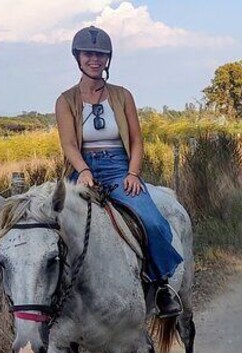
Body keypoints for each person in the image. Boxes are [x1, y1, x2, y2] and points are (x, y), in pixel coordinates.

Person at [55, 26, 183, 318]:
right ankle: (55, 297)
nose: (95, 60)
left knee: (151, 220)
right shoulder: (65, 100)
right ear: (78, 57)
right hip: (83, 167)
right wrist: (84, 171)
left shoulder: (122, 95)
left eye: (100, 54)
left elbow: (137, 140)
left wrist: (133, 173)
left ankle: (162, 286)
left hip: (118, 167)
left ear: (108, 58)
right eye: (88, 54)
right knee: (56, 225)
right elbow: (69, 145)